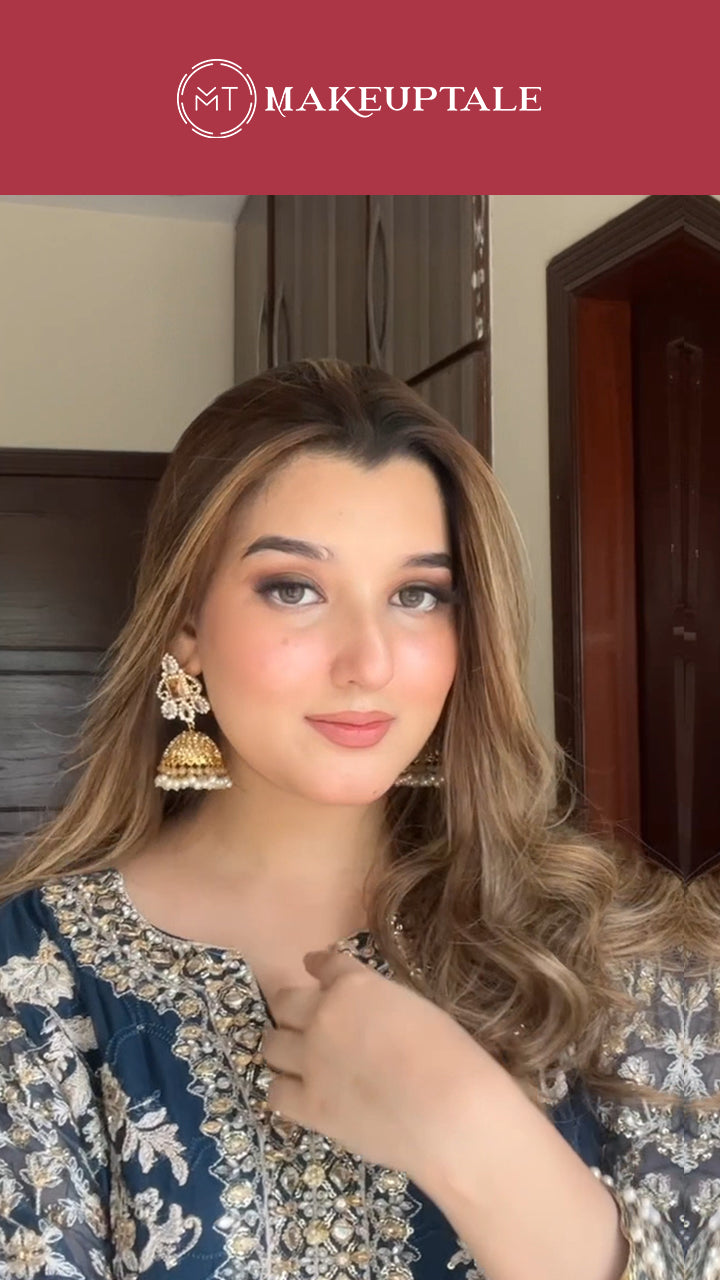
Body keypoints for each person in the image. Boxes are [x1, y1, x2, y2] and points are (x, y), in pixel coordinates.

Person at [0, 359, 698, 1280]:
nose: (369, 661)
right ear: (187, 630)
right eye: (294, 587)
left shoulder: (628, 957)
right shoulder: (33, 979)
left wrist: (472, 1133)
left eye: (418, 595)